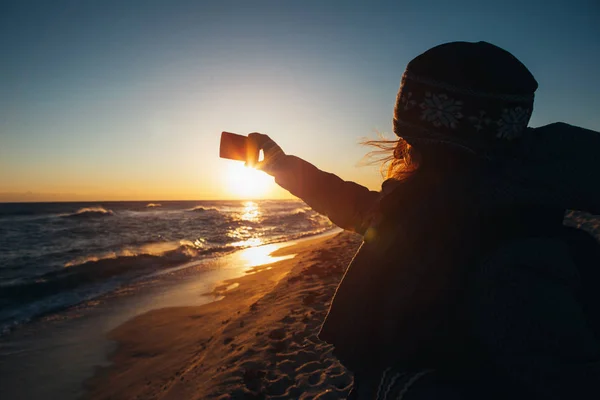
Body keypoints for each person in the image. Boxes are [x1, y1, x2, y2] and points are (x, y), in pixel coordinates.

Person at [246, 41, 600, 399]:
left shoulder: (514, 260)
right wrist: (281, 165)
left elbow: (558, 376)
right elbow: (357, 205)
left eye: (408, 141)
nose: (403, 153)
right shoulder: (423, 208)